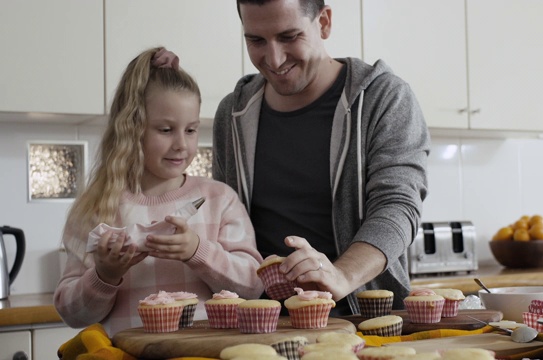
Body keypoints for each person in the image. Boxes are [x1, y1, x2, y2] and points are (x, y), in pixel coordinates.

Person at [156, 0, 429, 316]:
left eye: (289, 37)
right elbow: (222, 226)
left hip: (364, 321)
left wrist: (341, 275)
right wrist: (155, 86)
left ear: (324, 22)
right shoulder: (232, 113)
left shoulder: (383, 98)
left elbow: (397, 207)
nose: (273, 59)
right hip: (259, 328)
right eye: (256, 40)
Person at [54, 47, 264, 336]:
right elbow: (71, 314)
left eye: (190, 130)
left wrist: (197, 251)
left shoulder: (219, 199)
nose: (181, 144)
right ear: (131, 128)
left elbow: (253, 287)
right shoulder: (96, 208)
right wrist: (105, 275)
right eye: (166, 130)